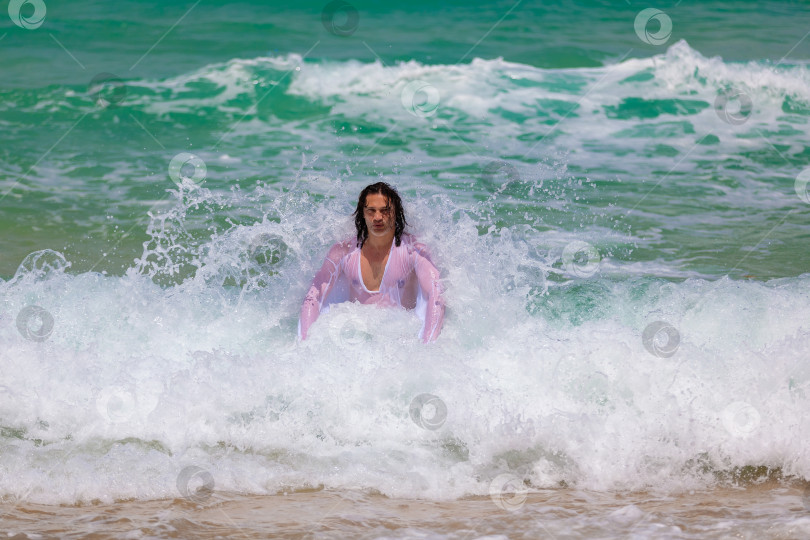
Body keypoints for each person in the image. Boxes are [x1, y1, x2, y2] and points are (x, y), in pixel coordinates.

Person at [299, 182, 444, 343]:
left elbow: (436, 294)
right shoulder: (344, 251)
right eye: (371, 211)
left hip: (400, 340)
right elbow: (314, 294)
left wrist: (428, 343)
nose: (377, 217)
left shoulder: (414, 250)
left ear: (396, 213)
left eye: (385, 211)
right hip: (357, 337)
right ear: (362, 214)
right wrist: (305, 342)